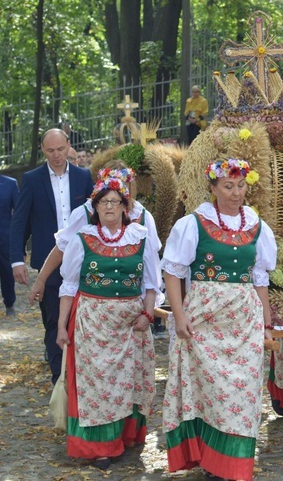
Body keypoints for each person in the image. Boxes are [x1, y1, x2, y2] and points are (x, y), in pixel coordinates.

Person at [161, 158, 277, 480]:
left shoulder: (256, 226)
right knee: (208, 391)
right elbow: (173, 272)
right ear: (213, 187)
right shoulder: (193, 223)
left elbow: (260, 279)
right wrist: (178, 316)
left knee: (243, 393)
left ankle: (232, 463)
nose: (236, 192)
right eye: (228, 186)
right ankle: (211, 458)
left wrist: (267, 323)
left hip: (244, 320)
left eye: (241, 185)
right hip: (204, 319)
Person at [55, 170, 160, 470]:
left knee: (126, 383)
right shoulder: (82, 239)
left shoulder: (140, 237)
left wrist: (147, 314)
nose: (110, 208)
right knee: (98, 385)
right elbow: (70, 286)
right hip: (92, 322)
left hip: (130, 324)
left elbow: (152, 284)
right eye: (104, 203)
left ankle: (124, 436)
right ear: (95, 208)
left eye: (115, 202)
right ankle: (100, 447)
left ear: (126, 207)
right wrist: (62, 325)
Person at [29, 162, 161, 324]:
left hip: (133, 306)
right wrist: (41, 280)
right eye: (109, 184)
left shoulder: (143, 217)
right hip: (93, 304)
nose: (114, 189)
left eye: (120, 184)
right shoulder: (84, 213)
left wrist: (148, 312)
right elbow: (61, 249)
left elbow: (151, 267)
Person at [9, 128, 94, 384]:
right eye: (50, 150)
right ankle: (60, 380)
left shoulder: (83, 177)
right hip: (48, 263)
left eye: (60, 149)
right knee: (54, 321)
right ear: (43, 151)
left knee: (82, 319)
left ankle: (82, 374)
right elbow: (20, 222)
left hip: (84, 261)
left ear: (68, 146)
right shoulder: (32, 180)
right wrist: (16, 259)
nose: (56, 155)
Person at [0, 174, 18, 317]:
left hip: (5, 237)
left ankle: (9, 303)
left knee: (6, 271)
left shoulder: (10, 184)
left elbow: (18, 213)